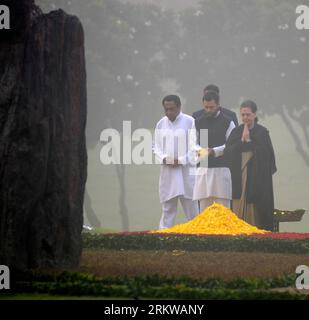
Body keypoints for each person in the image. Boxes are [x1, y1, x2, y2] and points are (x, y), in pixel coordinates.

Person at [225, 100, 277, 231]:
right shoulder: (236, 132)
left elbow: (267, 156)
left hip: (257, 180)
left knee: (256, 209)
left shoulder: (262, 132)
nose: (245, 118)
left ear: (254, 114)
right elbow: (228, 153)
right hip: (239, 178)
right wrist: (242, 142)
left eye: (248, 114)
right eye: (242, 115)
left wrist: (249, 141)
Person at [153, 95, 199, 229]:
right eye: (166, 110)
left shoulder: (190, 122)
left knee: (192, 210)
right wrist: (164, 158)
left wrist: (181, 160)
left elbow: (195, 146)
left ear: (179, 107)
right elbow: (155, 146)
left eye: (171, 109)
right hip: (168, 173)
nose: (168, 113)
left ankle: (198, 238)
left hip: (186, 173)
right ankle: (163, 238)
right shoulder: (161, 123)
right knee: (168, 209)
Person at [193, 91, 235, 210]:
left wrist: (214, 151)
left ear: (218, 105)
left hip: (222, 170)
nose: (209, 110)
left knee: (223, 211)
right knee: (204, 212)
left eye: (211, 107)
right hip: (203, 170)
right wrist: (201, 151)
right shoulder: (198, 122)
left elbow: (231, 145)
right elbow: (192, 143)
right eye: (206, 107)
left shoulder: (228, 122)